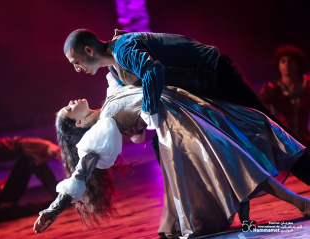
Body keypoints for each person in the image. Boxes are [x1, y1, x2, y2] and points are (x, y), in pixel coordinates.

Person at [62, 29, 310, 221]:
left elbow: (152, 70)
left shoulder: (123, 47)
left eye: (75, 61)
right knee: (167, 147)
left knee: (267, 126)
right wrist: (138, 126)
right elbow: (132, 99)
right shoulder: (115, 71)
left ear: (89, 50)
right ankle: (184, 214)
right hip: (199, 92)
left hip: (215, 73)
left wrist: (148, 111)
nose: (76, 68)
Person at [34, 73, 310, 238]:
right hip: (182, 127)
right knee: (234, 162)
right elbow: (81, 171)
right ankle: (300, 203)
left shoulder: (109, 95)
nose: (70, 103)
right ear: (79, 125)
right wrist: (54, 207)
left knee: (251, 135)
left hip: (195, 109)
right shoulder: (101, 129)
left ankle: (260, 210)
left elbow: (117, 70)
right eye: (69, 111)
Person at [260, 45, 310, 148]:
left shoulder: (308, 85)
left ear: (298, 65)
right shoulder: (271, 89)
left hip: (306, 141)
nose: (287, 64)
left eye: (290, 61)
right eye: (283, 61)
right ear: (278, 66)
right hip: (283, 143)